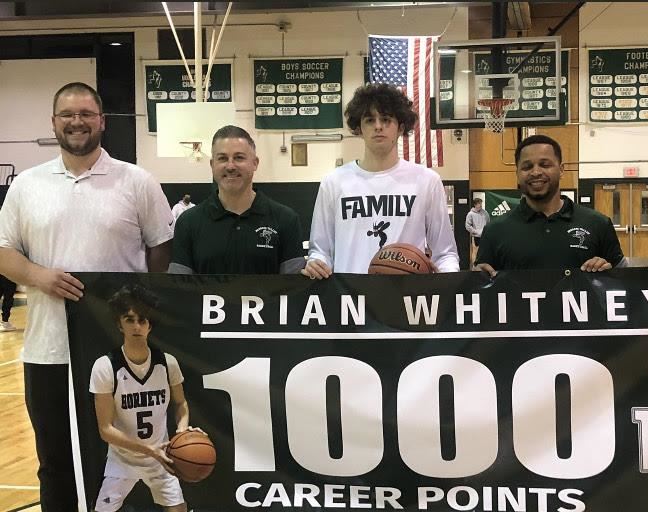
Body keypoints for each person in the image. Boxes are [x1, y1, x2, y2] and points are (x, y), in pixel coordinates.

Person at [0, 82, 173, 511]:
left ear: (102, 121)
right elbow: (3, 252)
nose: (76, 122)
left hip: (122, 355)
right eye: (67, 114)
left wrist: (136, 304)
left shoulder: (137, 181)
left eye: (85, 114)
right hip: (49, 350)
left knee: (130, 456)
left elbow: (161, 251)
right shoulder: (26, 185)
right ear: (54, 123)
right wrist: (38, 275)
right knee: (54, 460)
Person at [302, 83, 459, 277]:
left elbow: (445, 254)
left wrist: (448, 281)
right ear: (359, 128)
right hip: (350, 300)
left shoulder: (427, 180)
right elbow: (320, 251)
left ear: (400, 128)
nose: (378, 126)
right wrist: (317, 264)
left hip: (407, 298)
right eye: (369, 120)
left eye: (386, 119)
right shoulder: (334, 182)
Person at [90, 285, 198, 512]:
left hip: (160, 460)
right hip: (122, 460)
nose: (137, 326)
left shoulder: (168, 363)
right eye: (129, 319)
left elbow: (181, 404)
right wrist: (150, 450)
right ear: (119, 324)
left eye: (143, 320)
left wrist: (182, 432)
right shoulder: (105, 367)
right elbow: (105, 430)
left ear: (150, 325)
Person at [475, 134, 624, 275]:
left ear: (561, 170)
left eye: (545, 165)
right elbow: (482, 292)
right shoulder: (495, 230)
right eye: (527, 167)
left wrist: (609, 273)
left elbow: (625, 283)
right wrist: (475, 278)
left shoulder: (598, 224)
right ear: (517, 174)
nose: (536, 172)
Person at [169, 125, 305, 274]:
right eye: (222, 158)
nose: (230, 166)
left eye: (239, 157)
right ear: (212, 165)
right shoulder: (188, 222)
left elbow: (294, 290)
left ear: (255, 163)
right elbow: (179, 291)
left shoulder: (285, 219)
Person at [465, 197, 489, 269]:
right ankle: (474, 267)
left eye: (481, 204)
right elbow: (467, 226)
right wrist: (476, 232)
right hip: (476, 236)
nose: (480, 205)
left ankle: (483, 266)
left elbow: (488, 223)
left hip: (484, 236)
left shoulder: (485, 213)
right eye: (479, 204)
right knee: (475, 251)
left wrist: (485, 231)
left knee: (484, 251)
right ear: (475, 204)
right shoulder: (470, 214)